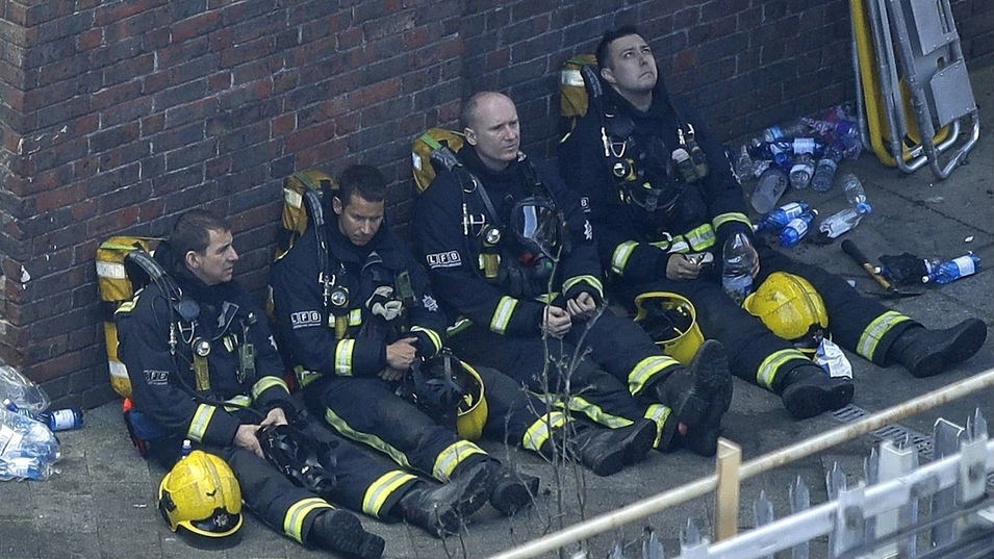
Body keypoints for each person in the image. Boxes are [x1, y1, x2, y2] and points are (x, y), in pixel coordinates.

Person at [558, 26, 988, 420]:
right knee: (721, 319)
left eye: (647, 51)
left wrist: (736, 235)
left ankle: (911, 342)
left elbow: (724, 187)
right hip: (661, 272)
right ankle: (799, 380)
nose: (644, 60)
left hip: (723, 251)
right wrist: (658, 265)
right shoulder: (587, 147)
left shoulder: (682, 117)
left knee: (817, 282)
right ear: (609, 77)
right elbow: (593, 234)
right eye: (629, 55)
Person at [115, 210, 494, 557]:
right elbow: (159, 400)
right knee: (254, 473)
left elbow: (266, 359)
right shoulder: (149, 315)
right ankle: (326, 526)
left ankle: (419, 503)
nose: (235, 256)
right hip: (196, 431)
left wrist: (278, 406)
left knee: (323, 448)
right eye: (223, 250)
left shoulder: (232, 295)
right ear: (193, 261)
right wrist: (234, 432)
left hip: (256, 411)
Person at [270, 165, 656, 490]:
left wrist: (417, 347)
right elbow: (310, 350)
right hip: (338, 383)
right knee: (402, 423)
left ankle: (588, 444)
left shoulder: (390, 250)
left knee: (495, 390)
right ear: (337, 207)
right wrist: (381, 355)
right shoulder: (302, 267)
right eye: (358, 218)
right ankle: (485, 478)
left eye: (376, 218)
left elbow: (431, 308)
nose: (368, 228)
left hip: (407, 358)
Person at [412, 91, 734, 457]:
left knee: (619, 338)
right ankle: (673, 426)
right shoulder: (443, 201)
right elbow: (456, 288)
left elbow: (579, 233)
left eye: (514, 124)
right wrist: (532, 319)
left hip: (556, 304)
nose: (510, 135)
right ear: (471, 137)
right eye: (497, 128)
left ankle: (680, 388)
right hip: (490, 330)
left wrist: (581, 287)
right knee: (574, 373)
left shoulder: (537, 173)